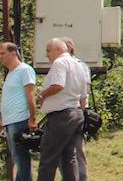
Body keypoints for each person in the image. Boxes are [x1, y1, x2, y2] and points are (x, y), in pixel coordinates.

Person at [38, 38, 89, 181]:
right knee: (68, 158)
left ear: (58, 50)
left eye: (48, 50)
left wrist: (41, 94)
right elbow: (84, 92)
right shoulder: (78, 64)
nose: (47, 54)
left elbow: (58, 85)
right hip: (75, 113)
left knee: (48, 158)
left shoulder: (59, 62)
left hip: (61, 116)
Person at [0, 42, 37, 181]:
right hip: (10, 121)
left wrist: (32, 119)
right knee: (17, 158)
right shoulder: (11, 73)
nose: (0, 57)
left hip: (19, 120)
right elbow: (9, 99)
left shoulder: (24, 70)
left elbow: (30, 96)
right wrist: (2, 120)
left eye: (2, 53)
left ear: (13, 53)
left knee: (21, 160)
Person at [59, 37, 90, 181]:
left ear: (69, 48)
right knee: (65, 151)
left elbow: (85, 93)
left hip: (75, 111)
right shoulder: (60, 65)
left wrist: (83, 112)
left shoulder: (80, 65)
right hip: (68, 113)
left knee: (77, 151)